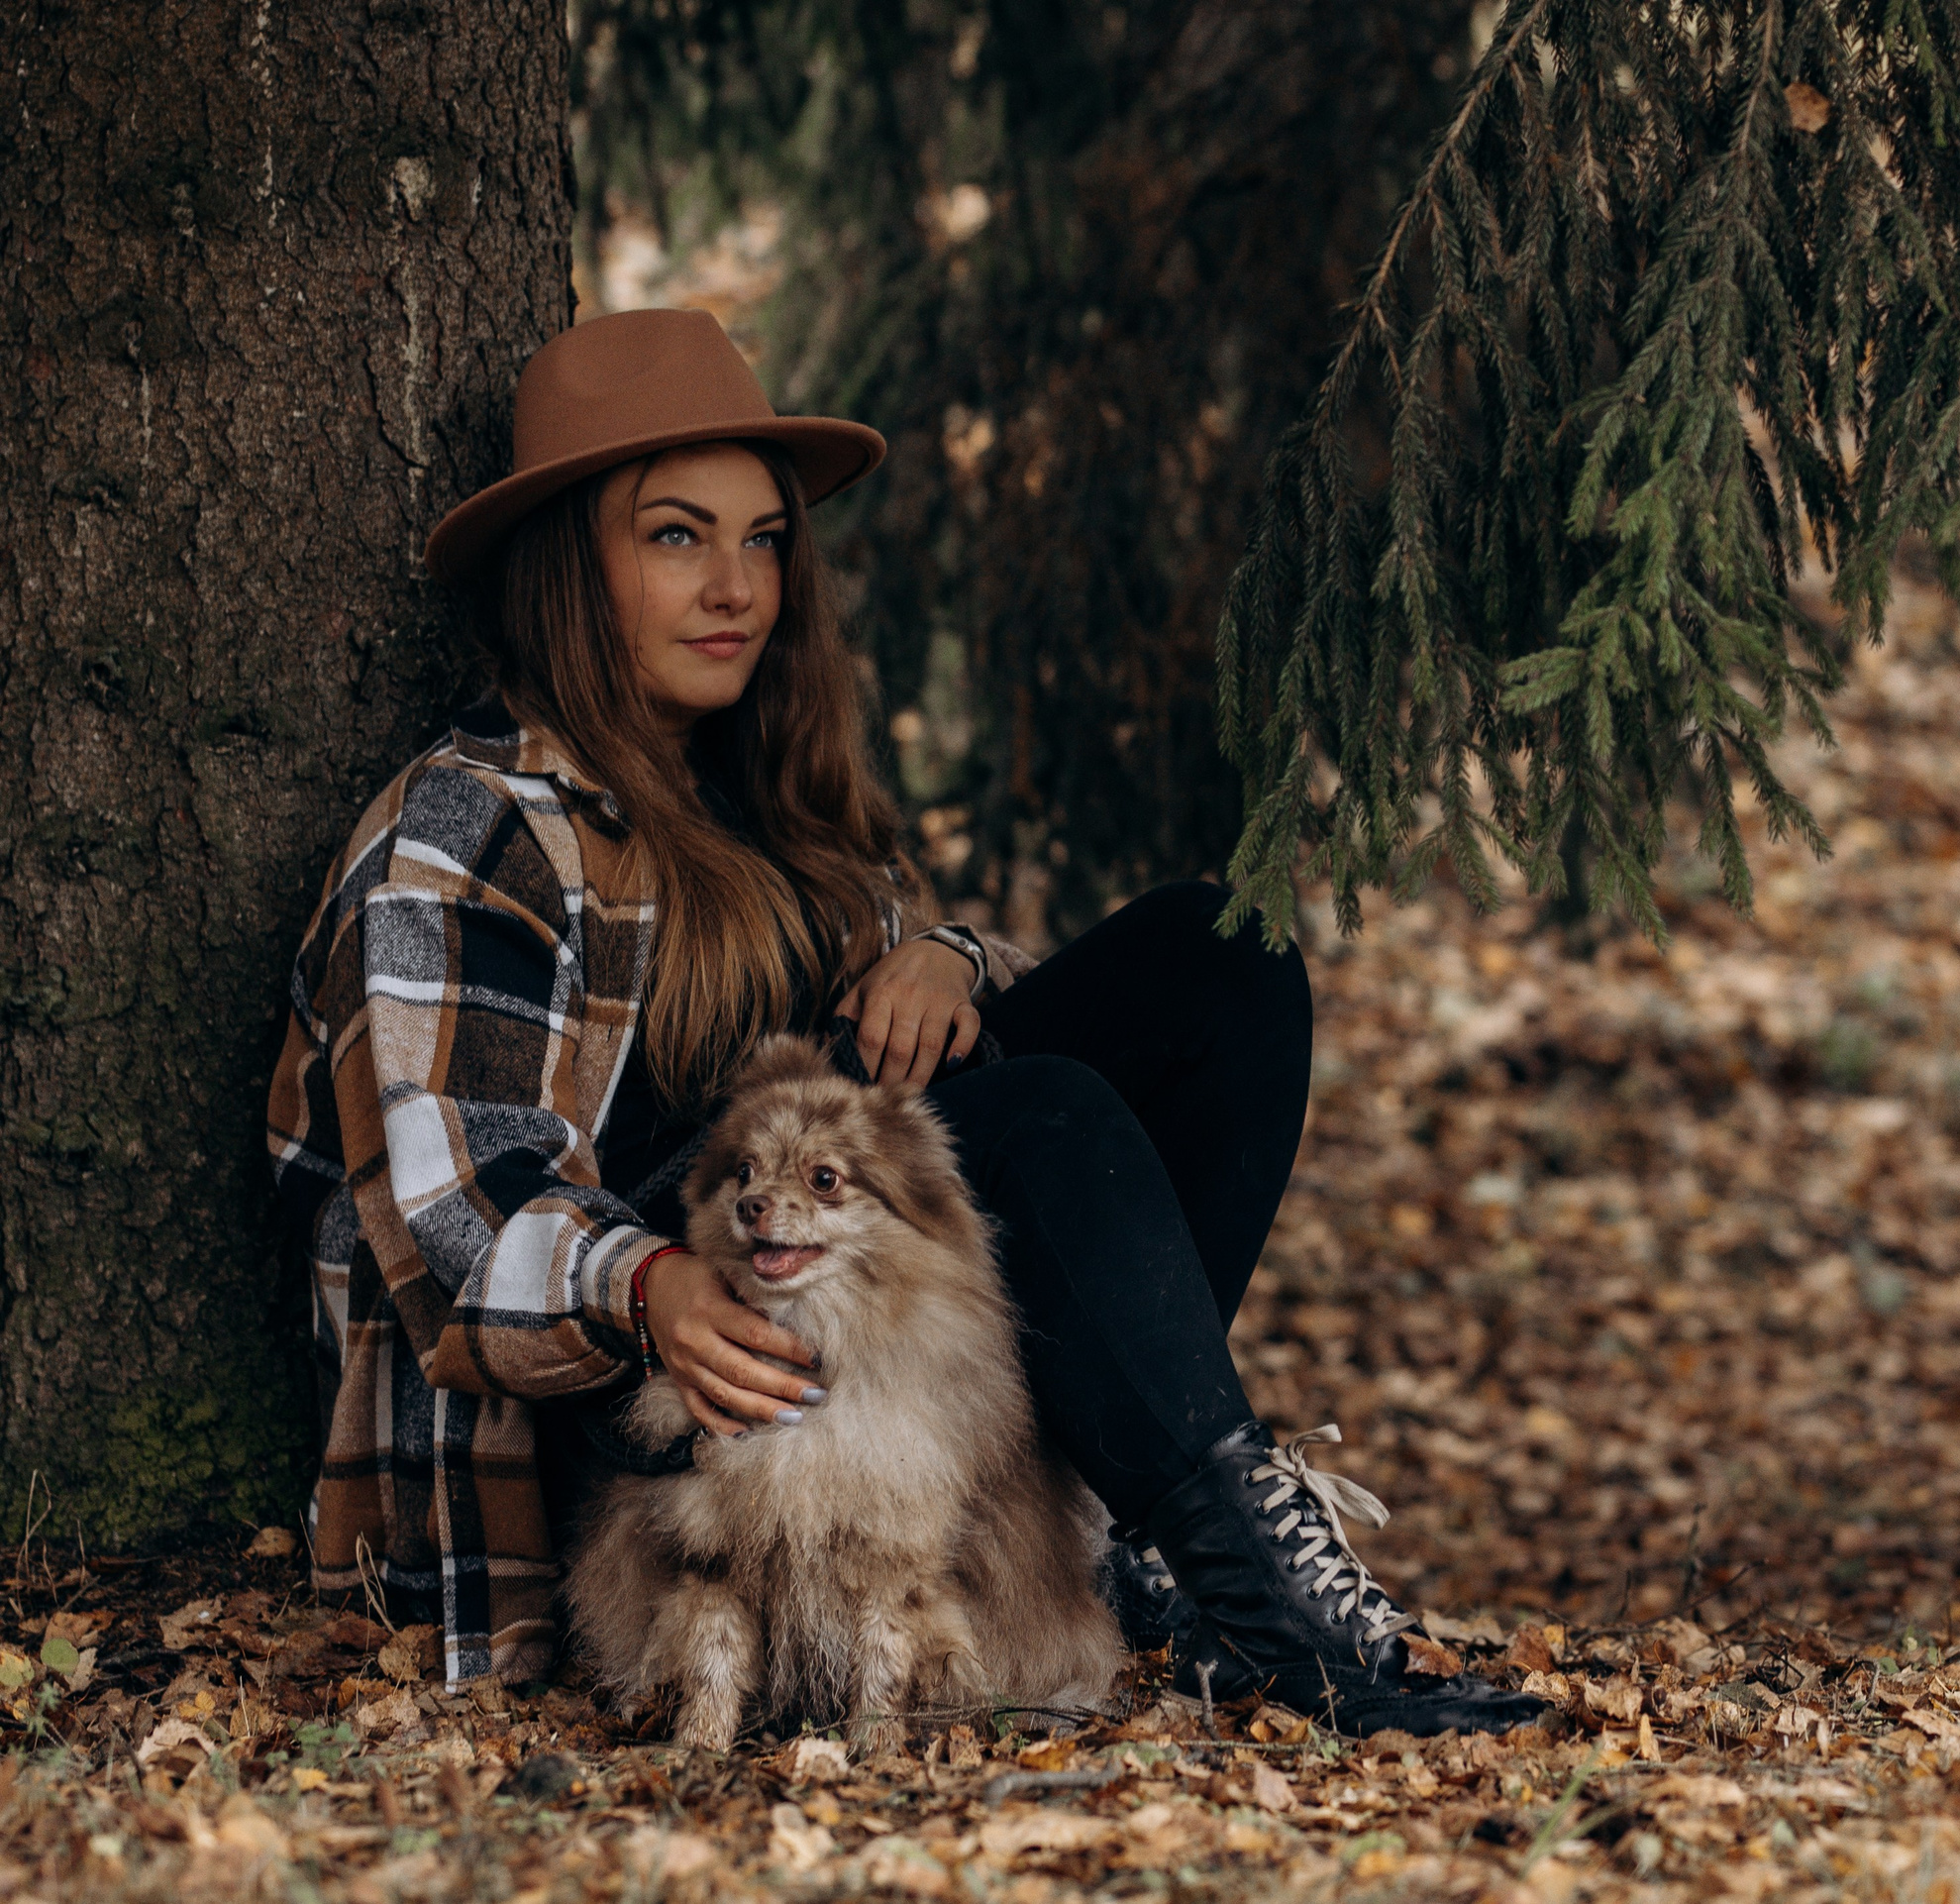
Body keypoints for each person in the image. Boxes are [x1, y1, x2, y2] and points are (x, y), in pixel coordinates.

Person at [266, 308, 1539, 1739]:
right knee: (1030, 1127)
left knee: (1216, 961)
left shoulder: (759, 804)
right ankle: (1268, 1606)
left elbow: (919, 1059)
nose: (735, 584)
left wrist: (948, 958)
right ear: (570, 564)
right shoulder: (469, 826)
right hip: (628, 1431)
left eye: (763, 540)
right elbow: (454, 1215)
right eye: (677, 536)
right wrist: (649, 1288)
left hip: (852, 1400)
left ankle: (1131, 1529)